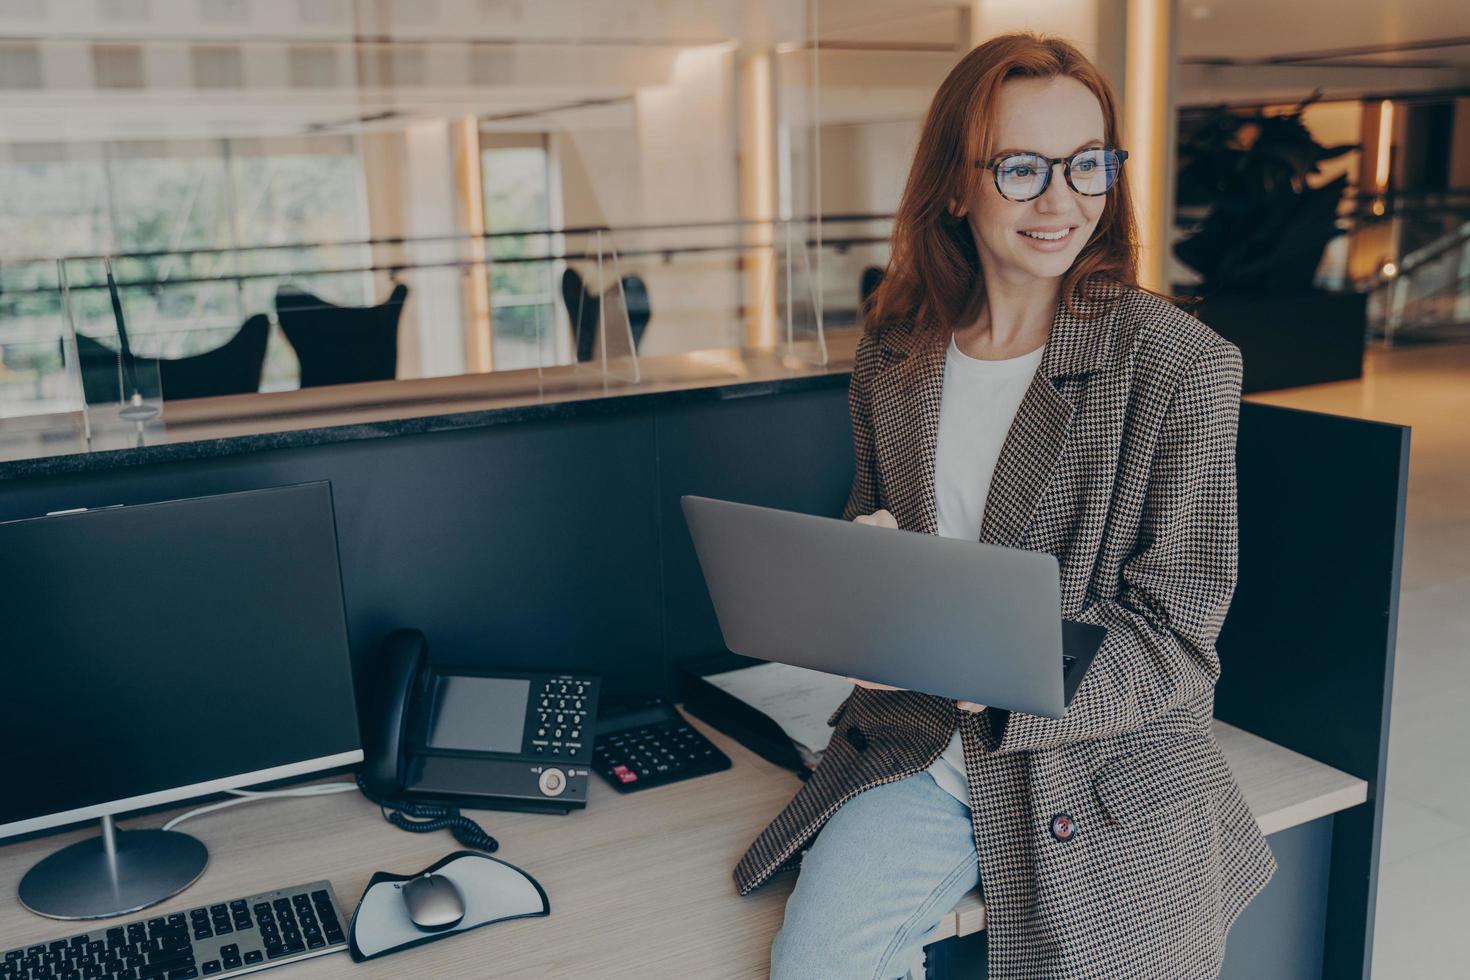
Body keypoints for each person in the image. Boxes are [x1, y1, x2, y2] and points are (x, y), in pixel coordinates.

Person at [733, 32, 1277, 980]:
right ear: (955, 184)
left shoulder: (1181, 365)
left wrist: (1016, 666)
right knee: (813, 964)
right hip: (927, 752)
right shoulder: (894, 355)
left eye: (1086, 165)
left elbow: (1180, 635)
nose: (1061, 202)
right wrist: (871, 593)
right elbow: (881, 531)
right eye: (1022, 168)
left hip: (1103, 764)